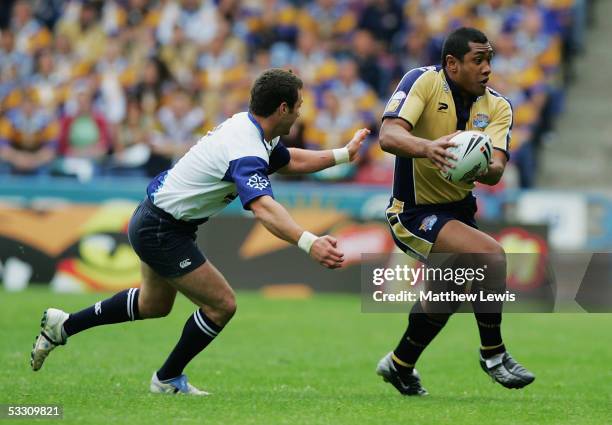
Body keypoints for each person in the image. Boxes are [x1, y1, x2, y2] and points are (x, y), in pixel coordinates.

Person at [31, 69, 370, 395]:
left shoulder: (252, 130)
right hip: (163, 228)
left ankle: (63, 325)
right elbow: (264, 207)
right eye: (297, 106)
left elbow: (287, 160)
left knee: (154, 304)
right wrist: (309, 242)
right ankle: (167, 378)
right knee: (222, 304)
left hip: (156, 219)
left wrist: (342, 155)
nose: (299, 113)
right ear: (282, 108)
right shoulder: (246, 147)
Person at [376, 27, 534, 396]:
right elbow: (389, 136)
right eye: (478, 60)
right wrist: (427, 147)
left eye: (490, 59)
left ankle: (399, 366)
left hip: (460, 213)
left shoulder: (497, 106)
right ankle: (493, 355)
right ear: (453, 63)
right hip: (413, 212)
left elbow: (496, 171)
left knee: (444, 296)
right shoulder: (423, 82)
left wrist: (477, 159)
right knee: (490, 256)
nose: (487, 68)